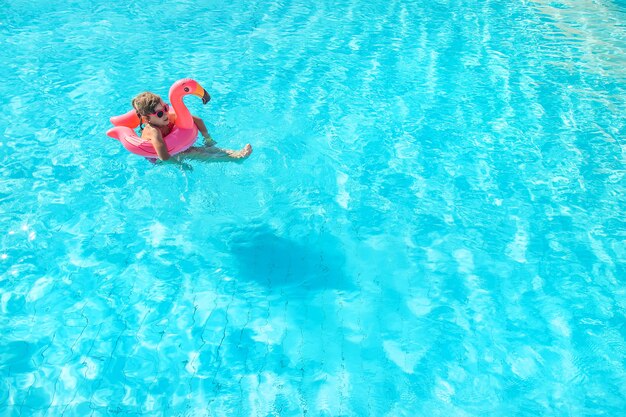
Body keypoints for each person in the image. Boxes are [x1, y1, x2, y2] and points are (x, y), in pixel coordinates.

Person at [131, 92, 252, 162]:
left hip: (173, 148)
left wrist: (208, 139)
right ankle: (234, 159)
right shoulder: (154, 131)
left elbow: (197, 120)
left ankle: (235, 153)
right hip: (157, 159)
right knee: (194, 151)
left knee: (205, 149)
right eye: (160, 113)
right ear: (147, 119)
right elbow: (163, 156)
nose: (166, 113)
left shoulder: (170, 116)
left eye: (166, 108)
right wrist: (180, 165)